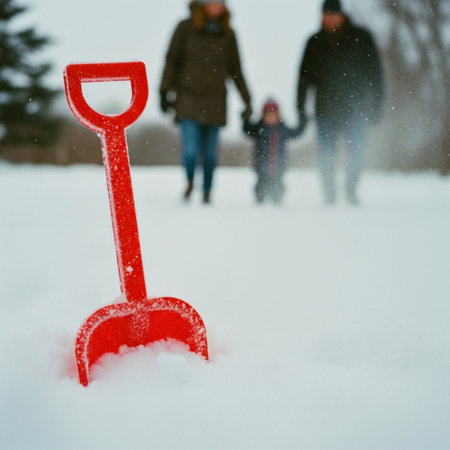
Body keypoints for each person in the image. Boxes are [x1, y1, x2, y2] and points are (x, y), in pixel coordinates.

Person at [159, 0, 252, 204]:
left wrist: (247, 100)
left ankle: (208, 190)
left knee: (210, 154)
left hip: (215, 102)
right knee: (191, 150)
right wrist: (164, 92)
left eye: (219, 3)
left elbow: (236, 70)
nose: (215, 7)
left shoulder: (228, 34)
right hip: (187, 99)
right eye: (211, 2)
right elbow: (172, 60)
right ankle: (190, 181)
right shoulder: (185, 28)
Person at [297, 0, 383, 204]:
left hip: (356, 107)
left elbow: (375, 76)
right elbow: (303, 79)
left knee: (357, 152)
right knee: (326, 153)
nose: (328, 19)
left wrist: (377, 105)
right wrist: (300, 108)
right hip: (325, 109)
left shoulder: (362, 38)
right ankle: (329, 193)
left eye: (332, 15)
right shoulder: (314, 42)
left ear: (342, 15)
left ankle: (351, 189)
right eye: (325, 15)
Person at [243, 99, 303, 204]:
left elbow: (296, 133)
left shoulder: (283, 129)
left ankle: (277, 201)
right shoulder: (258, 128)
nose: (271, 117)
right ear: (263, 115)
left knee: (278, 185)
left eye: (273, 114)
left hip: (279, 166)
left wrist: (303, 121)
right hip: (261, 166)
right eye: (268, 114)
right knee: (261, 185)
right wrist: (246, 118)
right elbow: (246, 129)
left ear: (278, 115)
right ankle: (260, 201)